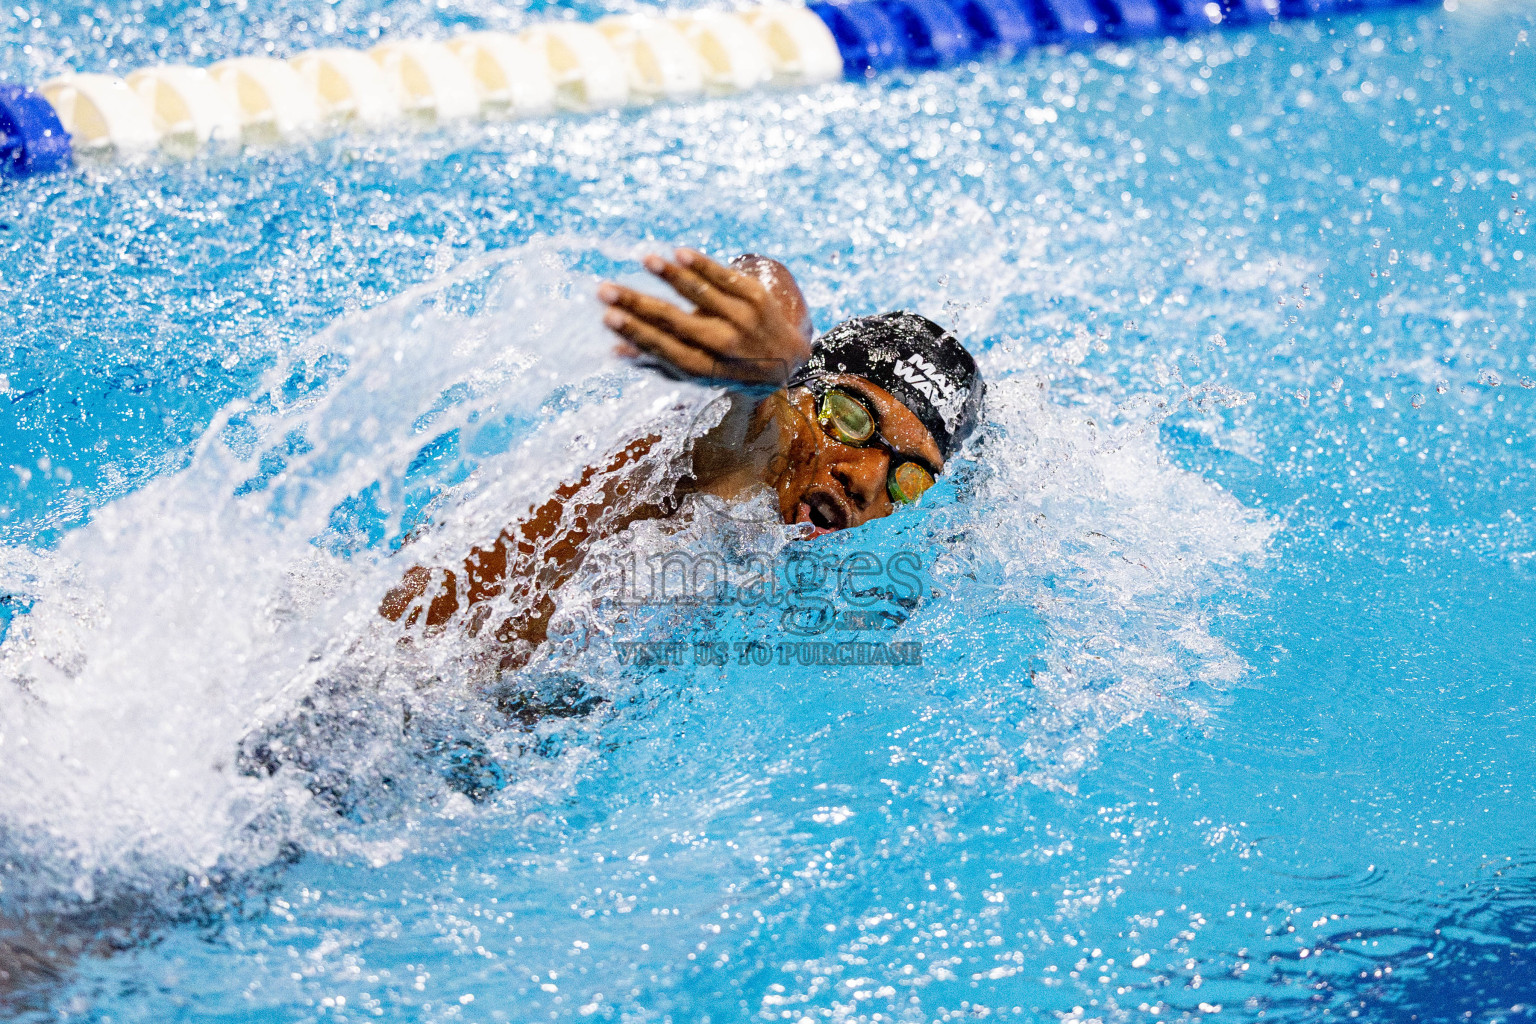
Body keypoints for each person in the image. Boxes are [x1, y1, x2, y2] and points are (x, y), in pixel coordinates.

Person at [379, 249, 984, 669]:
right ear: (804, 389)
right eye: (854, 419)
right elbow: (762, 293)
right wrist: (770, 347)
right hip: (392, 674)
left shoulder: (781, 543)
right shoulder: (745, 445)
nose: (865, 478)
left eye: (908, 477)